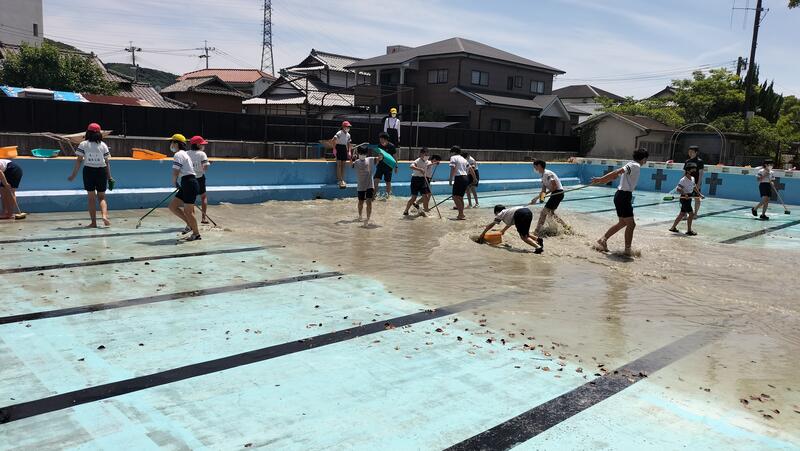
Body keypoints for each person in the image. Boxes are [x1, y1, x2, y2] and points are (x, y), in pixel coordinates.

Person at [591, 148, 649, 256]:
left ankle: (603, 240)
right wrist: (601, 179)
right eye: (646, 159)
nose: (645, 162)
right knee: (631, 224)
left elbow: (616, 175)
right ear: (644, 159)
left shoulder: (631, 164)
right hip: (623, 196)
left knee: (623, 222)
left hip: (621, 195)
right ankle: (627, 250)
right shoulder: (635, 165)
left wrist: (602, 180)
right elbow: (617, 172)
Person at [67, 122, 113, 228]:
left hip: (89, 171)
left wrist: (73, 175)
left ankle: (93, 223)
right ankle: (104, 216)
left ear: (87, 133)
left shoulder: (83, 144)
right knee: (102, 197)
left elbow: (79, 161)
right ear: (99, 133)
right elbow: (107, 162)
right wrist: (109, 177)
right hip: (101, 171)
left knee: (91, 198)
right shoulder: (103, 145)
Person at [167, 134, 201, 241]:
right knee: (173, 206)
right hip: (187, 182)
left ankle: (196, 234)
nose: (171, 145)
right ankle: (190, 224)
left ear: (177, 143)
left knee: (188, 212)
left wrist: (174, 182)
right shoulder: (184, 154)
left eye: (172, 142)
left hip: (189, 183)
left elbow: (176, 171)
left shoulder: (178, 154)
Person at [478, 204, 543, 254]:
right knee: (525, 233)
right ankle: (538, 239)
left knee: (523, 237)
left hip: (520, 214)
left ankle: (538, 247)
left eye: (495, 213)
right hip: (528, 212)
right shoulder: (508, 212)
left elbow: (491, 224)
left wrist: (482, 234)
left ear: (497, 211)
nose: (496, 215)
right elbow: (509, 224)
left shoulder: (500, 213)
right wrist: (503, 231)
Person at [530, 159, 564, 238]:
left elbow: (554, 187)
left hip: (558, 193)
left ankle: (537, 231)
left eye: (534, 166)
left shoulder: (548, 174)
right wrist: (539, 199)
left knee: (543, 212)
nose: (534, 168)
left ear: (539, 166)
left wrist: (539, 197)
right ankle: (565, 227)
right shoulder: (543, 176)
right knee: (551, 214)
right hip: (555, 194)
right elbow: (543, 190)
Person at [352, 145, 382, 227]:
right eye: (361, 153)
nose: (362, 155)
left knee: (369, 202)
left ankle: (368, 219)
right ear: (358, 153)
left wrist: (381, 156)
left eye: (364, 153)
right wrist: (352, 158)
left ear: (366, 154)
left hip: (370, 185)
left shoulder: (370, 159)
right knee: (360, 202)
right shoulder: (356, 162)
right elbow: (351, 164)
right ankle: (360, 216)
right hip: (361, 186)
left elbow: (378, 159)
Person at [669, 164, 699, 236]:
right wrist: (685, 194)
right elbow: (678, 189)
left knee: (682, 214)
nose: (694, 171)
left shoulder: (692, 178)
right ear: (688, 171)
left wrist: (699, 194)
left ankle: (673, 228)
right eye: (693, 169)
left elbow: (694, 186)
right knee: (691, 214)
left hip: (689, 197)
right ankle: (689, 231)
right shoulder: (683, 180)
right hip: (684, 198)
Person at [449, 146, 476, 220]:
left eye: (451, 152)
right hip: (465, 178)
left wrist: (450, 180)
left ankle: (461, 214)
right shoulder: (463, 159)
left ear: (453, 152)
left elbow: (452, 168)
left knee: (455, 197)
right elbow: (471, 169)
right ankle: (461, 214)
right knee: (460, 197)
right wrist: (474, 178)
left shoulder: (453, 157)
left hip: (459, 178)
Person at [188, 135, 211, 224]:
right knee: (203, 196)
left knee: (191, 199)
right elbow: (205, 167)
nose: (203, 146)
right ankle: (203, 218)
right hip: (200, 178)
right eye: (202, 144)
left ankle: (192, 219)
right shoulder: (202, 154)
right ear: (198, 144)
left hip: (189, 178)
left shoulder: (186, 153)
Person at [404, 148, 431, 216]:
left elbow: (429, 164)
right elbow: (411, 166)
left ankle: (426, 210)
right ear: (421, 154)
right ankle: (406, 211)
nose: (427, 156)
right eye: (425, 154)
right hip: (415, 180)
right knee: (414, 197)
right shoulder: (417, 160)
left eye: (427, 154)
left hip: (423, 180)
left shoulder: (427, 161)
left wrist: (436, 163)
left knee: (425, 196)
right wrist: (420, 169)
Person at [373, 132, 398, 198]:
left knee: (388, 182)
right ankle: (374, 195)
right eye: (380, 139)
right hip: (380, 166)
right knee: (376, 180)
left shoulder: (391, 146)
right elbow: (379, 155)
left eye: (382, 139)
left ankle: (388, 196)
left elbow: (395, 157)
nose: (380, 140)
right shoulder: (379, 146)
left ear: (386, 139)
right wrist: (377, 161)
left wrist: (396, 166)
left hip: (388, 167)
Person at [331, 121, 352, 189]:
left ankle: (342, 179)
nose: (348, 128)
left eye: (349, 127)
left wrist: (349, 151)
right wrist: (334, 148)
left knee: (343, 165)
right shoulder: (339, 133)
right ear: (343, 127)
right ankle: (339, 180)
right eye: (347, 126)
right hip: (338, 147)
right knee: (339, 164)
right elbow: (333, 140)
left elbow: (349, 143)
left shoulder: (348, 135)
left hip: (344, 148)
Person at [684, 145, 704, 216]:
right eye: (689, 151)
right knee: (686, 198)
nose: (690, 153)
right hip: (687, 182)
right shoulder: (687, 161)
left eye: (692, 152)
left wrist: (699, 183)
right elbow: (685, 172)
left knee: (697, 198)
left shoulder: (699, 161)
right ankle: (684, 214)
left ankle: (695, 214)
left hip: (696, 182)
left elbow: (701, 173)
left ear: (696, 152)